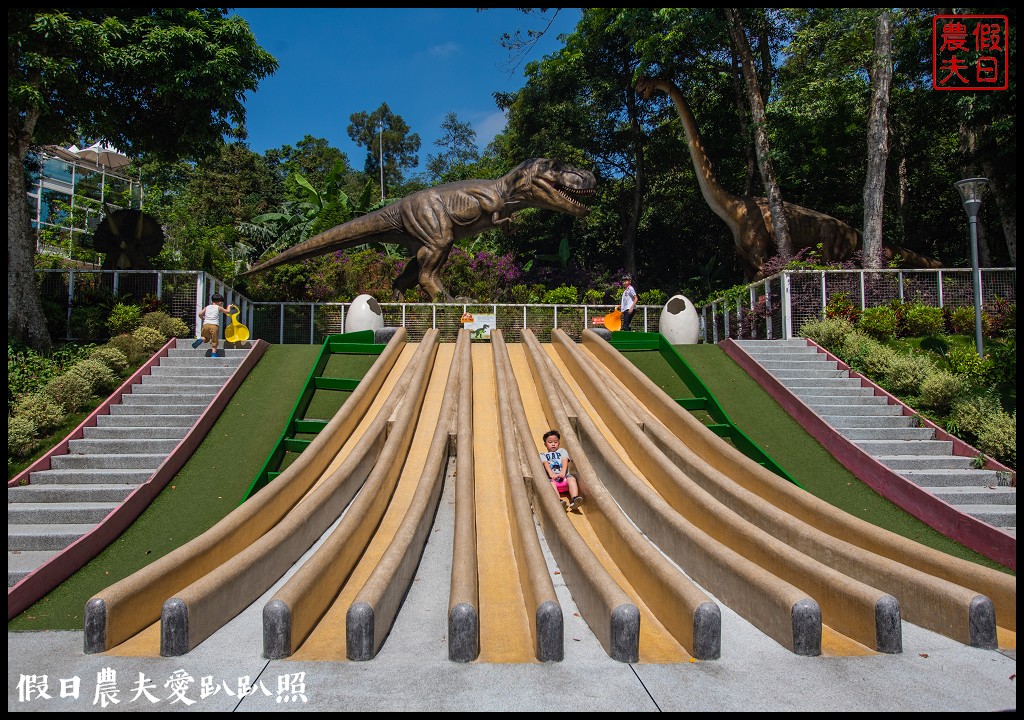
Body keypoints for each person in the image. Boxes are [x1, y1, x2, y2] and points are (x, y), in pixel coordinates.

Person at [539, 429, 584, 512]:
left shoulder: (562, 451)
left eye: (555, 442)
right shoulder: (542, 454)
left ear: (559, 443)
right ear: (545, 444)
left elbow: (564, 460)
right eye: (550, 442)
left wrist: (563, 472)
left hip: (564, 478)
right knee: (550, 484)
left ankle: (574, 499)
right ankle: (558, 501)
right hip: (552, 479)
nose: (553, 444)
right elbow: (545, 464)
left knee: (572, 479)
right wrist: (551, 474)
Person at [194, 293, 227, 357]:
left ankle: (200, 340)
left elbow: (200, 314)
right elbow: (227, 311)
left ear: (212, 301)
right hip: (214, 326)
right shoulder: (219, 307)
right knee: (214, 340)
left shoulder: (207, 307)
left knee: (205, 337)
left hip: (205, 325)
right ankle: (213, 354)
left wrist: (203, 318)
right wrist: (229, 307)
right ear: (220, 302)